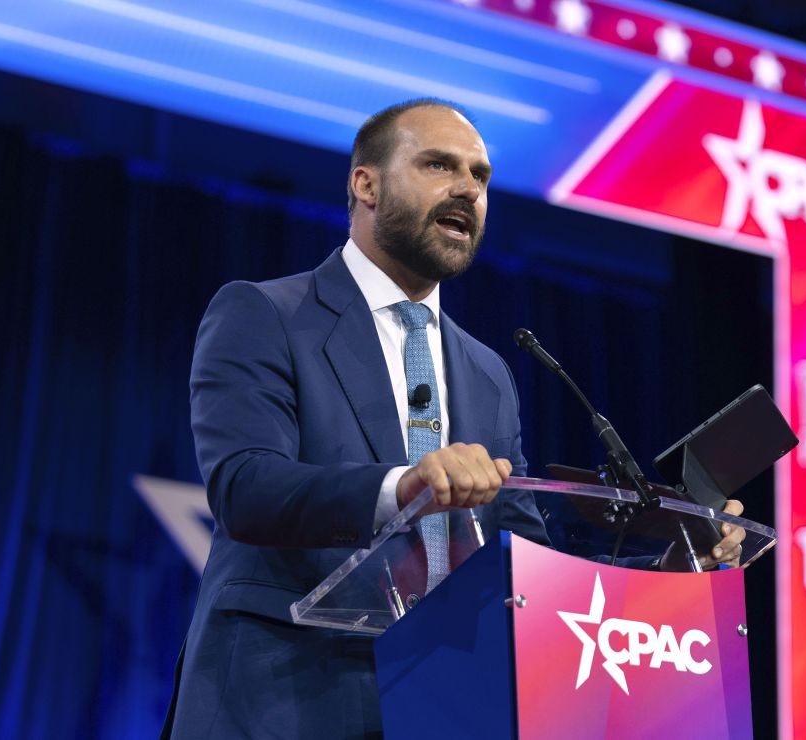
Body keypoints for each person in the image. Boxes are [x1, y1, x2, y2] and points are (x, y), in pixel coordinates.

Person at [160, 99, 745, 739]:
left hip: (443, 706)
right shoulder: (265, 314)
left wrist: (667, 562)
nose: (468, 189)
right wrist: (402, 486)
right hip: (282, 701)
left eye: (481, 176)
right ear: (366, 183)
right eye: (439, 165)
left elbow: (524, 562)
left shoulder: (488, 371)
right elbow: (246, 487)